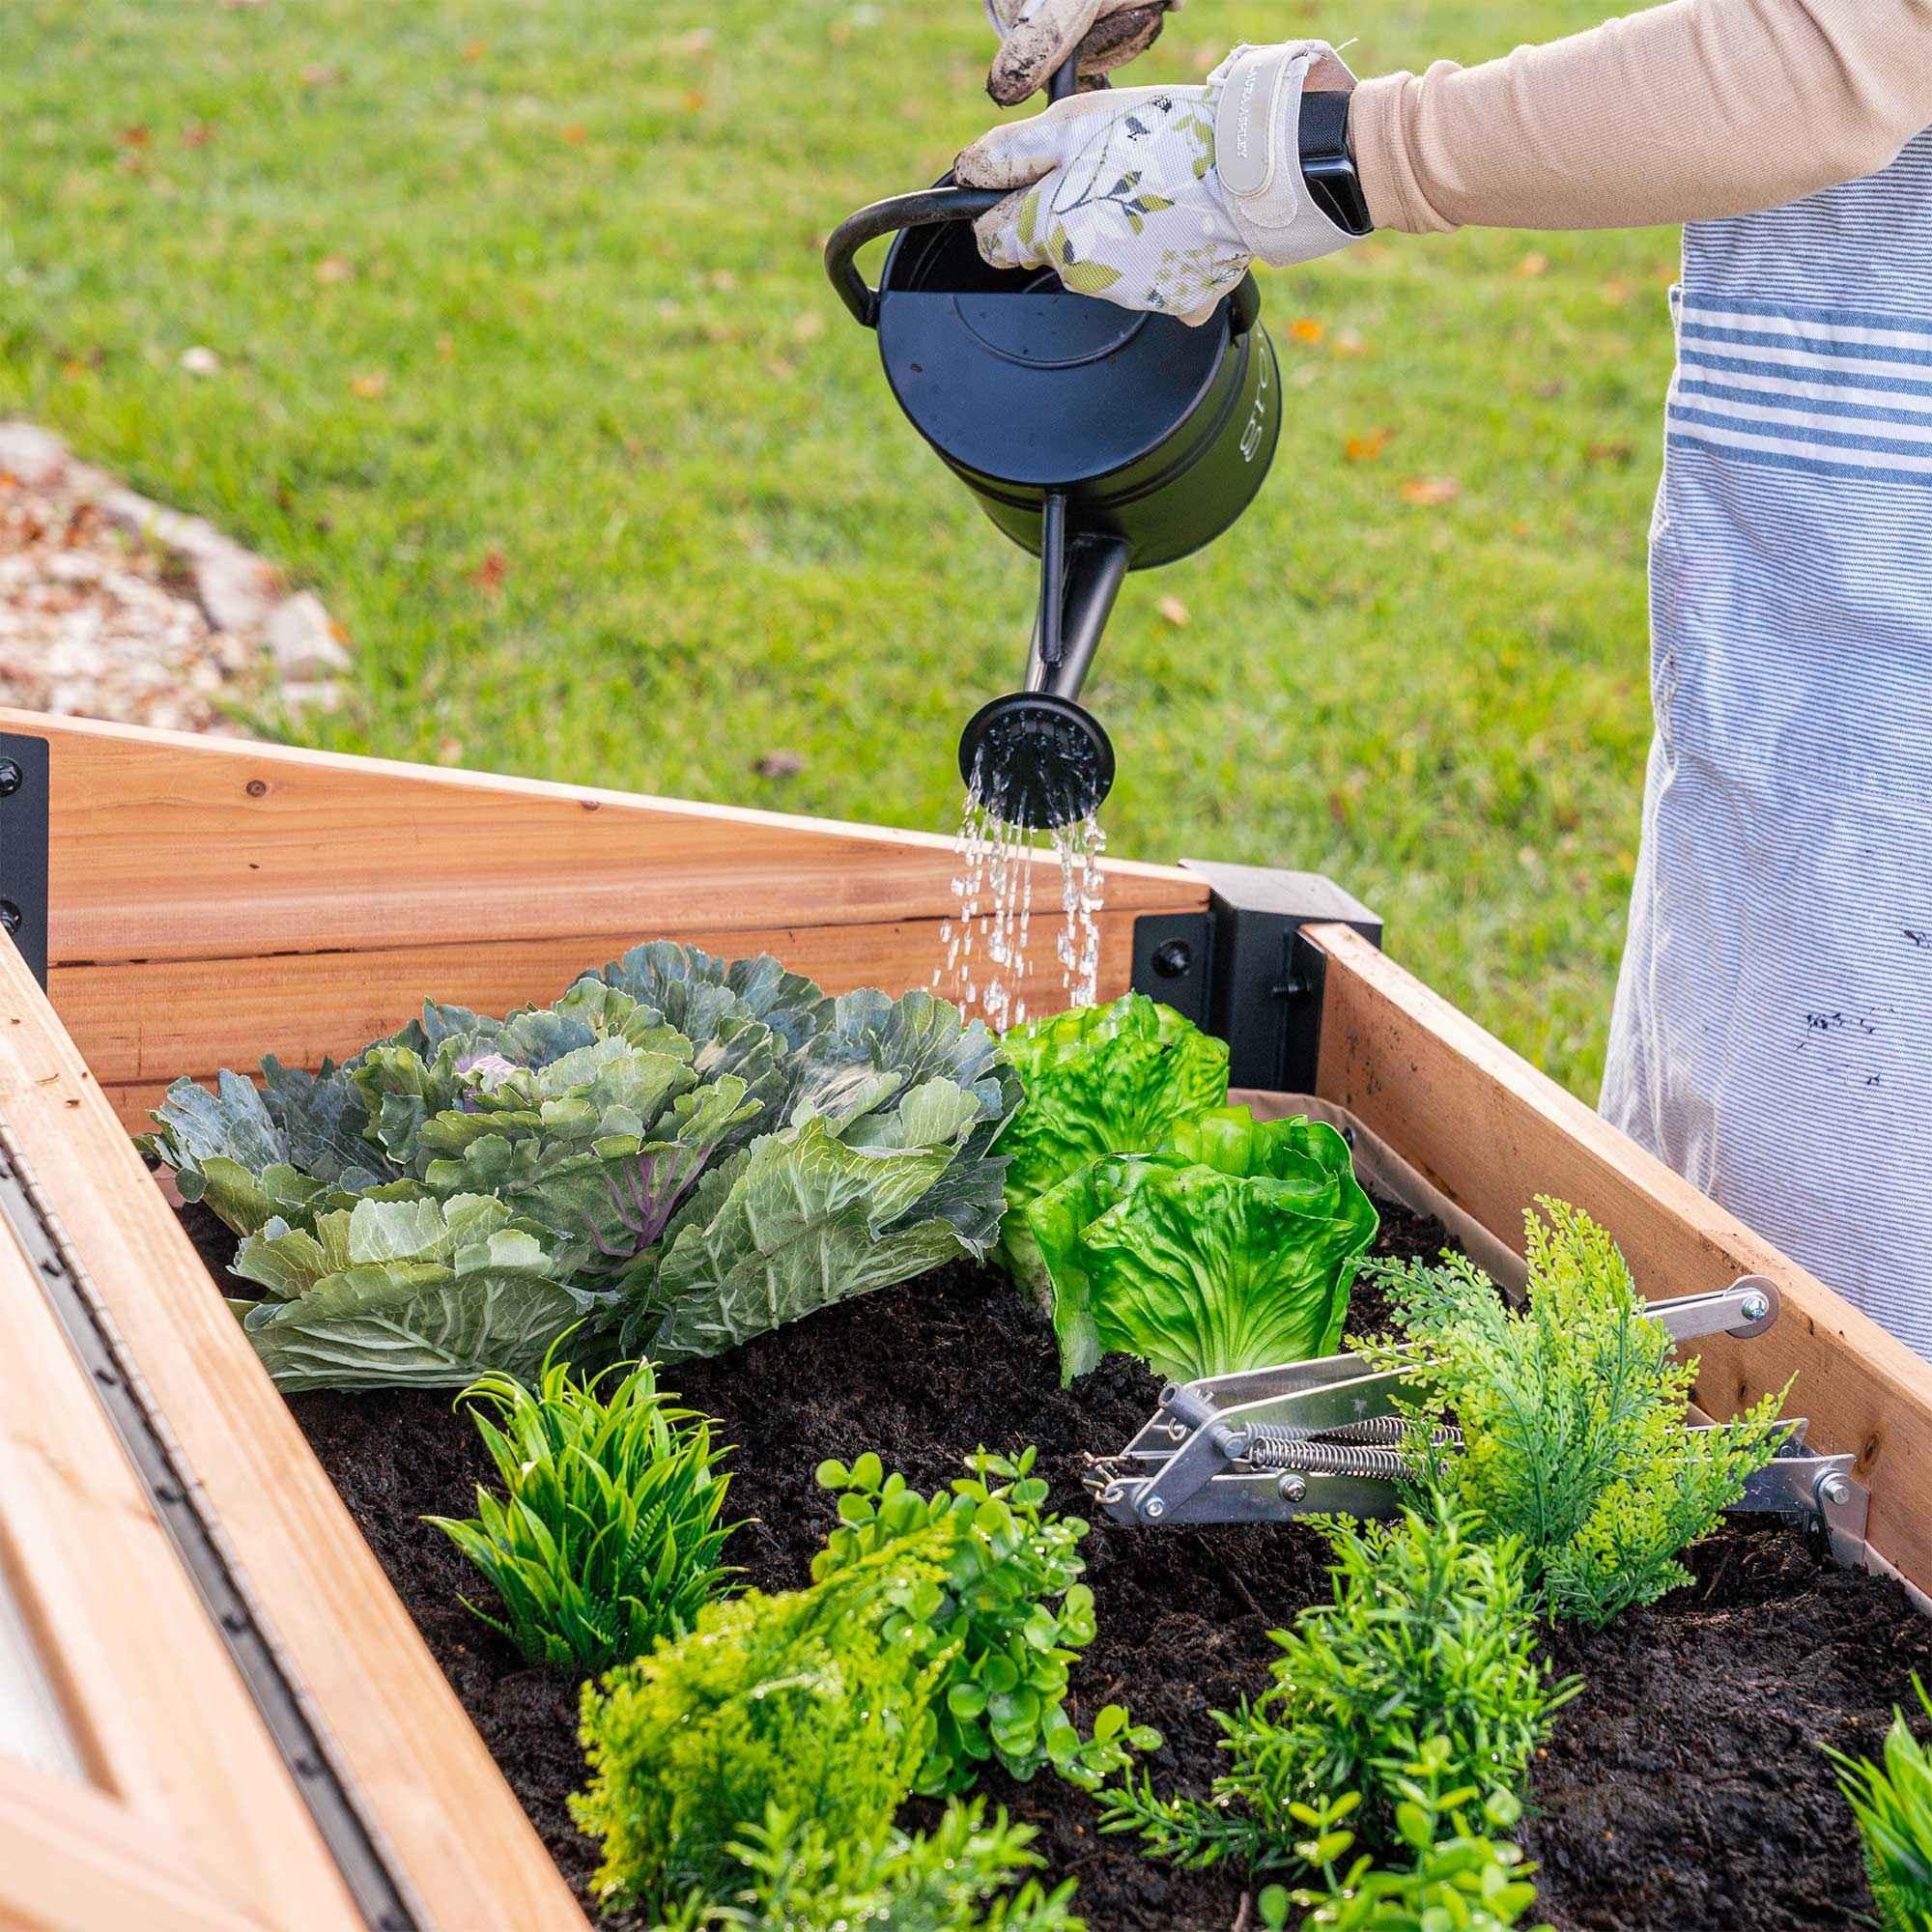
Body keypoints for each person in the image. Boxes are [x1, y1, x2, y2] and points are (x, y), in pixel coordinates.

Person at [960, 0, 1932, 1359]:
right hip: (1816, 583)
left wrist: (1309, 158)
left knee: (1850, 1365)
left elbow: (1836, 56)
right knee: (1718, 1288)